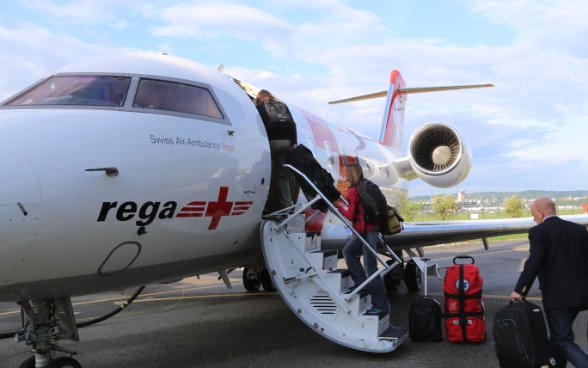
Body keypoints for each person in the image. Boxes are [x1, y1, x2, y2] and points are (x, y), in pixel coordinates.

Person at [510, 197, 588, 368]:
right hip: (582, 294)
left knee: (562, 340)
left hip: (559, 297)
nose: (533, 219)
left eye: (533, 215)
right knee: (557, 338)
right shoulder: (578, 229)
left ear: (541, 212)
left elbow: (534, 262)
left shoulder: (540, 231)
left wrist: (520, 290)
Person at [336, 163, 390, 315]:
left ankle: (381, 305)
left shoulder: (353, 190)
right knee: (348, 251)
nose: (344, 175)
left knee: (371, 268)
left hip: (365, 231)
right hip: (370, 228)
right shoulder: (368, 184)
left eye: (345, 173)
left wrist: (338, 206)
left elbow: (350, 216)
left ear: (351, 173)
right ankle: (362, 283)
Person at [255, 89, 297, 210]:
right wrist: (294, 142)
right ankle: (287, 205)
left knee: (262, 172)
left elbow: (258, 125)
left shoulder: (259, 107)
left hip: (271, 143)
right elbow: (292, 124)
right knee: (282, 176)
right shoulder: (283, 106)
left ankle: (264, 204)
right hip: (287, 143)